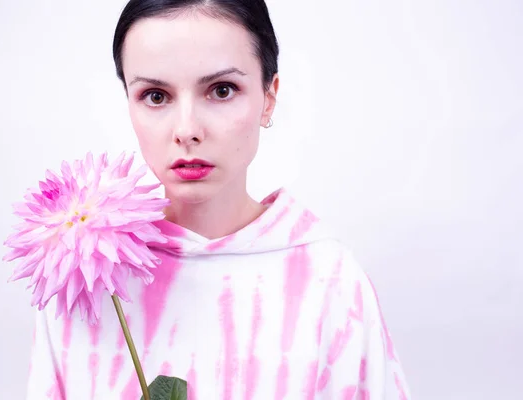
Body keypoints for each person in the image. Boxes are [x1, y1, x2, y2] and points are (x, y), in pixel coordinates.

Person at [26, 1, 410, 399]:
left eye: (221, 90)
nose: (187, 130)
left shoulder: (329, 281)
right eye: (155, 96)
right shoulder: (85, 274)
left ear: (269, 97)